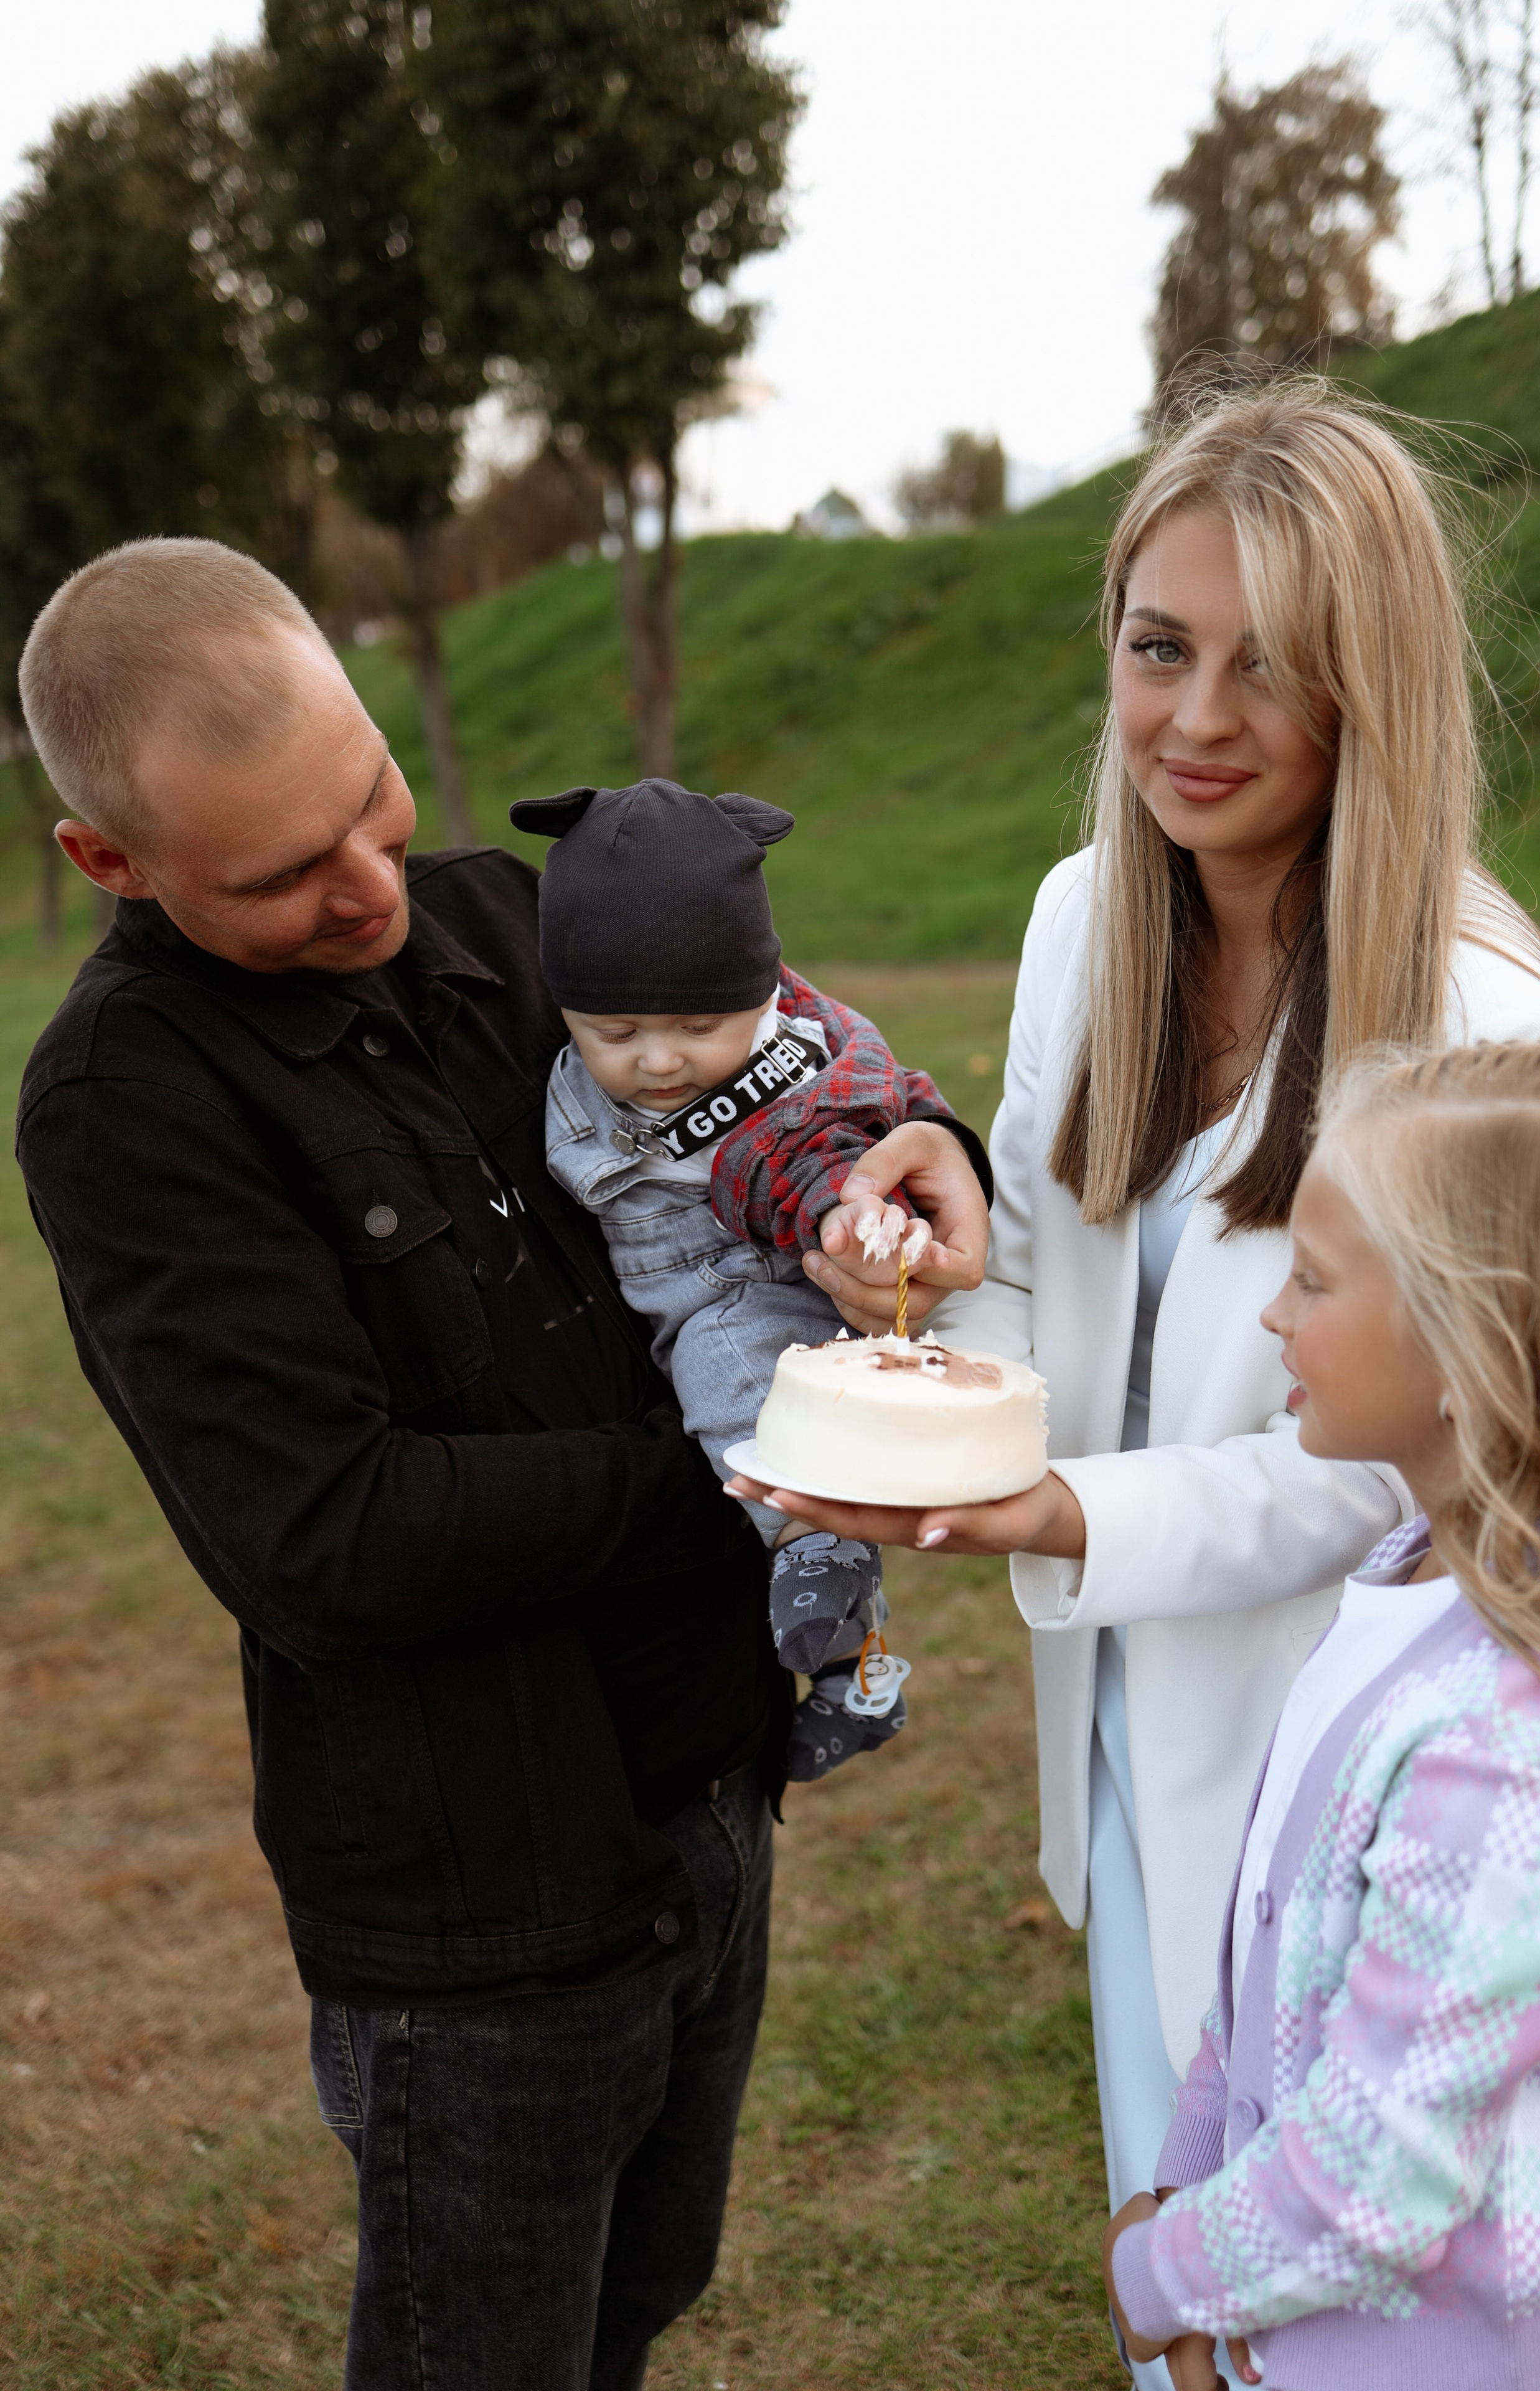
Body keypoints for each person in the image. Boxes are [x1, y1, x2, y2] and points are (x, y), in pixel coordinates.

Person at [12, 536, 991, 2391]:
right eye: (287, 876)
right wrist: (742, 1458)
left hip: (706, 1799)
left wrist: (913, 1144)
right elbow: (327, 1539)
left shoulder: (502, 912)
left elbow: (768, 1070)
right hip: (480, 1907)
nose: (373, 886)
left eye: (372, 802)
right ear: (109, 862)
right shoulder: (127, 1101)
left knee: (638, 2309)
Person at [728, 382, 1540, 2389]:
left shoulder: (1476, 1016)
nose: (1196, 717)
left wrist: (1064, 1514)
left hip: (1367, 1772)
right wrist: (927, 1306)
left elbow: (1414, 1466)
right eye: (1159, 644)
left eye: (1271, 665)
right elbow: (1033, 1252)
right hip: (1118, 1729)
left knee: (1350, 2280)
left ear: (1372, 683)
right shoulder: (1075, 918)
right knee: (1182, 2226)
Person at [1104, 1038, 1540, 2391]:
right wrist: (1191, 2174)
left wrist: (1160, 2276)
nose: (1270, 1317)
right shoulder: (1405, 1581)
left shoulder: (1516, 1747)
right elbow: (1275, 1963)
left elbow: (1376, 2174)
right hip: (1300, 2312)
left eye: (1310, 1281)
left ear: (1469, 1349)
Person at [515, 774, 962, 1779]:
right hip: (696, 1274)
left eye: (697, 1027)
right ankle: (860, 1676)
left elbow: (831, 1136)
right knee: (748, 1417)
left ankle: (812, 1535)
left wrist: (853, 1208)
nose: (660, 1061)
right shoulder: (602, 1067)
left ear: (760, 993)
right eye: (614, 1034)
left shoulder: (795, 1057)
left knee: (738, 1394)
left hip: (763, 1267)